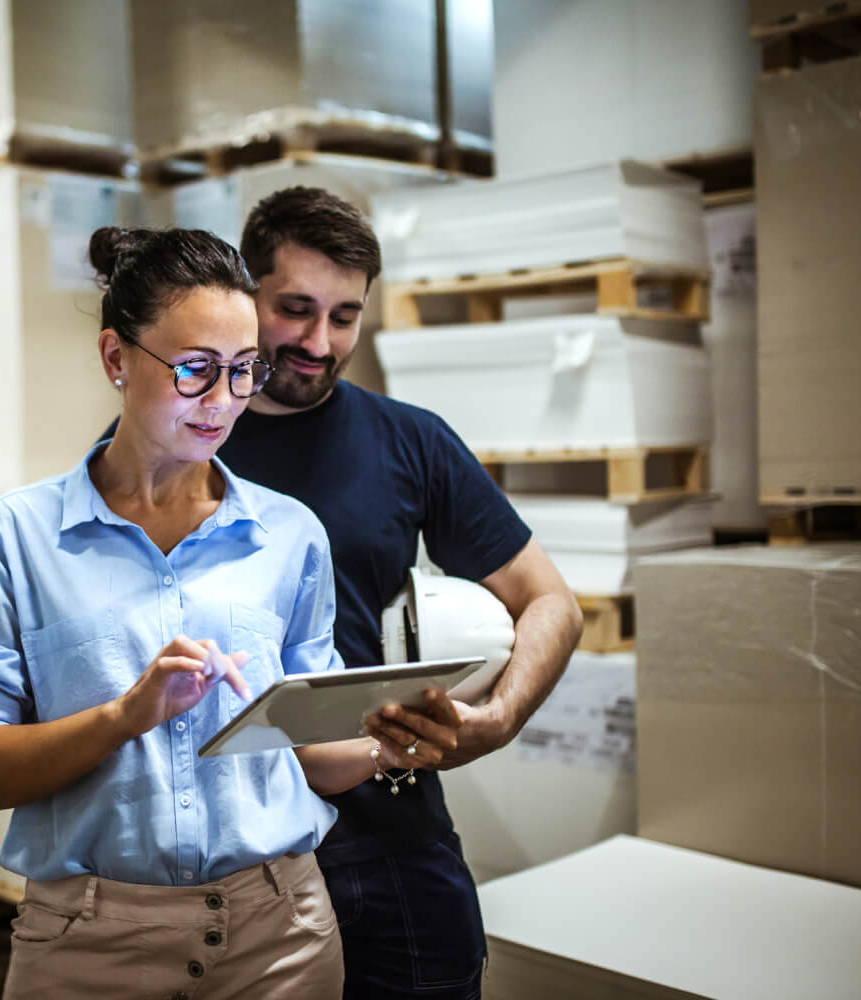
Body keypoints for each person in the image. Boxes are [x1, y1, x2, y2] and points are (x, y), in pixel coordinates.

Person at [0, 227, 462, 1000]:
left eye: (244, 371)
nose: (223, 402)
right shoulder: (18, 537)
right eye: (195, 370)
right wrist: (123, 715)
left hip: (281, 935)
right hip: (89, 945)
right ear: (116, 358)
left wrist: (394, 743)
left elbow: (308, 751)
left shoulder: (289, 536)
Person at [220, 187, 584, 998]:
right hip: (230, 844)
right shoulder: (174, 440)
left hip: (389, 835)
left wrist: (497, 720)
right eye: (296, 309)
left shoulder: (407, 439)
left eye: (345, 316)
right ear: (247, 295)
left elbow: (551, 602)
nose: (320, 342)